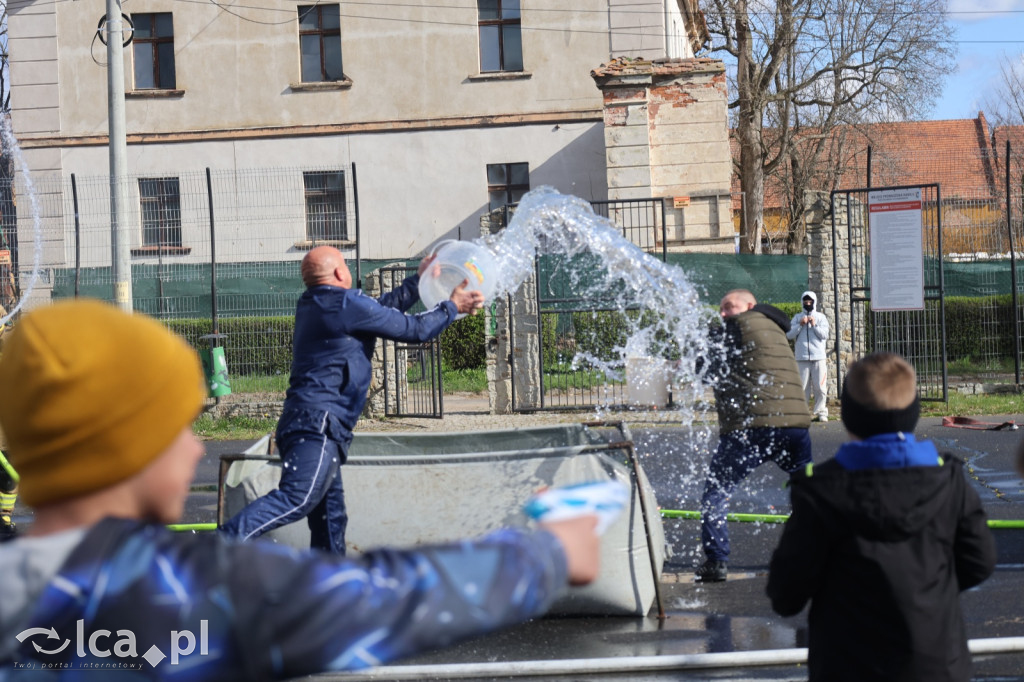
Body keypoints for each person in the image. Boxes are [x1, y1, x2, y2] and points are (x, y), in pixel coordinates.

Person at [0, 299, 605, 679]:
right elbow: (388, 600)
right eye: (177, 427)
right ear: (125, 444)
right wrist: (550, 554)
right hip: (318, 431)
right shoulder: (195, 590)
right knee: (302, 500)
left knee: (324, 515)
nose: (193, 448)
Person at [222, 246, 484, 553]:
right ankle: (216, 548)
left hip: (312, 424)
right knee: (299, 497)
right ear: (338, 273)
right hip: (318, 426)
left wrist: (417, 281)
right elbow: (415, 330)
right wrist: (451, 306)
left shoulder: (316, 304)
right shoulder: (345, 303)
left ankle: (331, 589)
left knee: (331, 520)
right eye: (347, 265)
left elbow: (381, 309)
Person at [766, 352, 996, 682]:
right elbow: (980, 561)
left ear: (848, 414)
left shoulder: (820, 489)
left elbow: (786, 594)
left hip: (847, 664)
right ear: (913, 411)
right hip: (935, 662)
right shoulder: (948, 481)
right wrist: (928, 591)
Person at [695, 289, 811, 583]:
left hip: (751, 429)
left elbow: (702, 371)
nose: (722, 314)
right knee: (807, 490)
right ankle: (815, 551)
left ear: (749, 306)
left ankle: (716, 561)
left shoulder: (735, 326)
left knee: (715, 492)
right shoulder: (776, 327)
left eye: (728, 307)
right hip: (796, 426)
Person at [786, 290, 830, 422]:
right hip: (801, 358)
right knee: (802, 387)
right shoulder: (797, 318)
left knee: (820, 387)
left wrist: (814, 324)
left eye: (810, 301)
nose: (808, 303)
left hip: (818, 358)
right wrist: (800, 324)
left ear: (814, 302)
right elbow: (789, 335)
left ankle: (821, 412)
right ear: (802, 302)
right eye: (805, 301)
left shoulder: (821, 317)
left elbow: (824, 335)